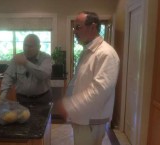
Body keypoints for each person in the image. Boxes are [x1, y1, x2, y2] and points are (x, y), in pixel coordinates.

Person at [57, 11, 120, 145]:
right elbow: (79, 82)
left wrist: (69, 106)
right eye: (74, 28)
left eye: (78, 27)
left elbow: (99, 92)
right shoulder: (88, 52)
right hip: (82, 117)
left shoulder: (106, 54)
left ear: (92, 27)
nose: (74, 32)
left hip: (91, 121)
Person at [0, 34, 52, 106]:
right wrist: (3, 96)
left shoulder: (46, 58)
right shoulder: (17, 58)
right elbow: (8, 76)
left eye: (30, 46)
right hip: (22, 99)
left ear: (39, 47)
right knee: (23, 117)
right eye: (25, 45)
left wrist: (25, 63)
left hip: (42, 99)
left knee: (42, 117)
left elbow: (43, 75)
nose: (27, 48)